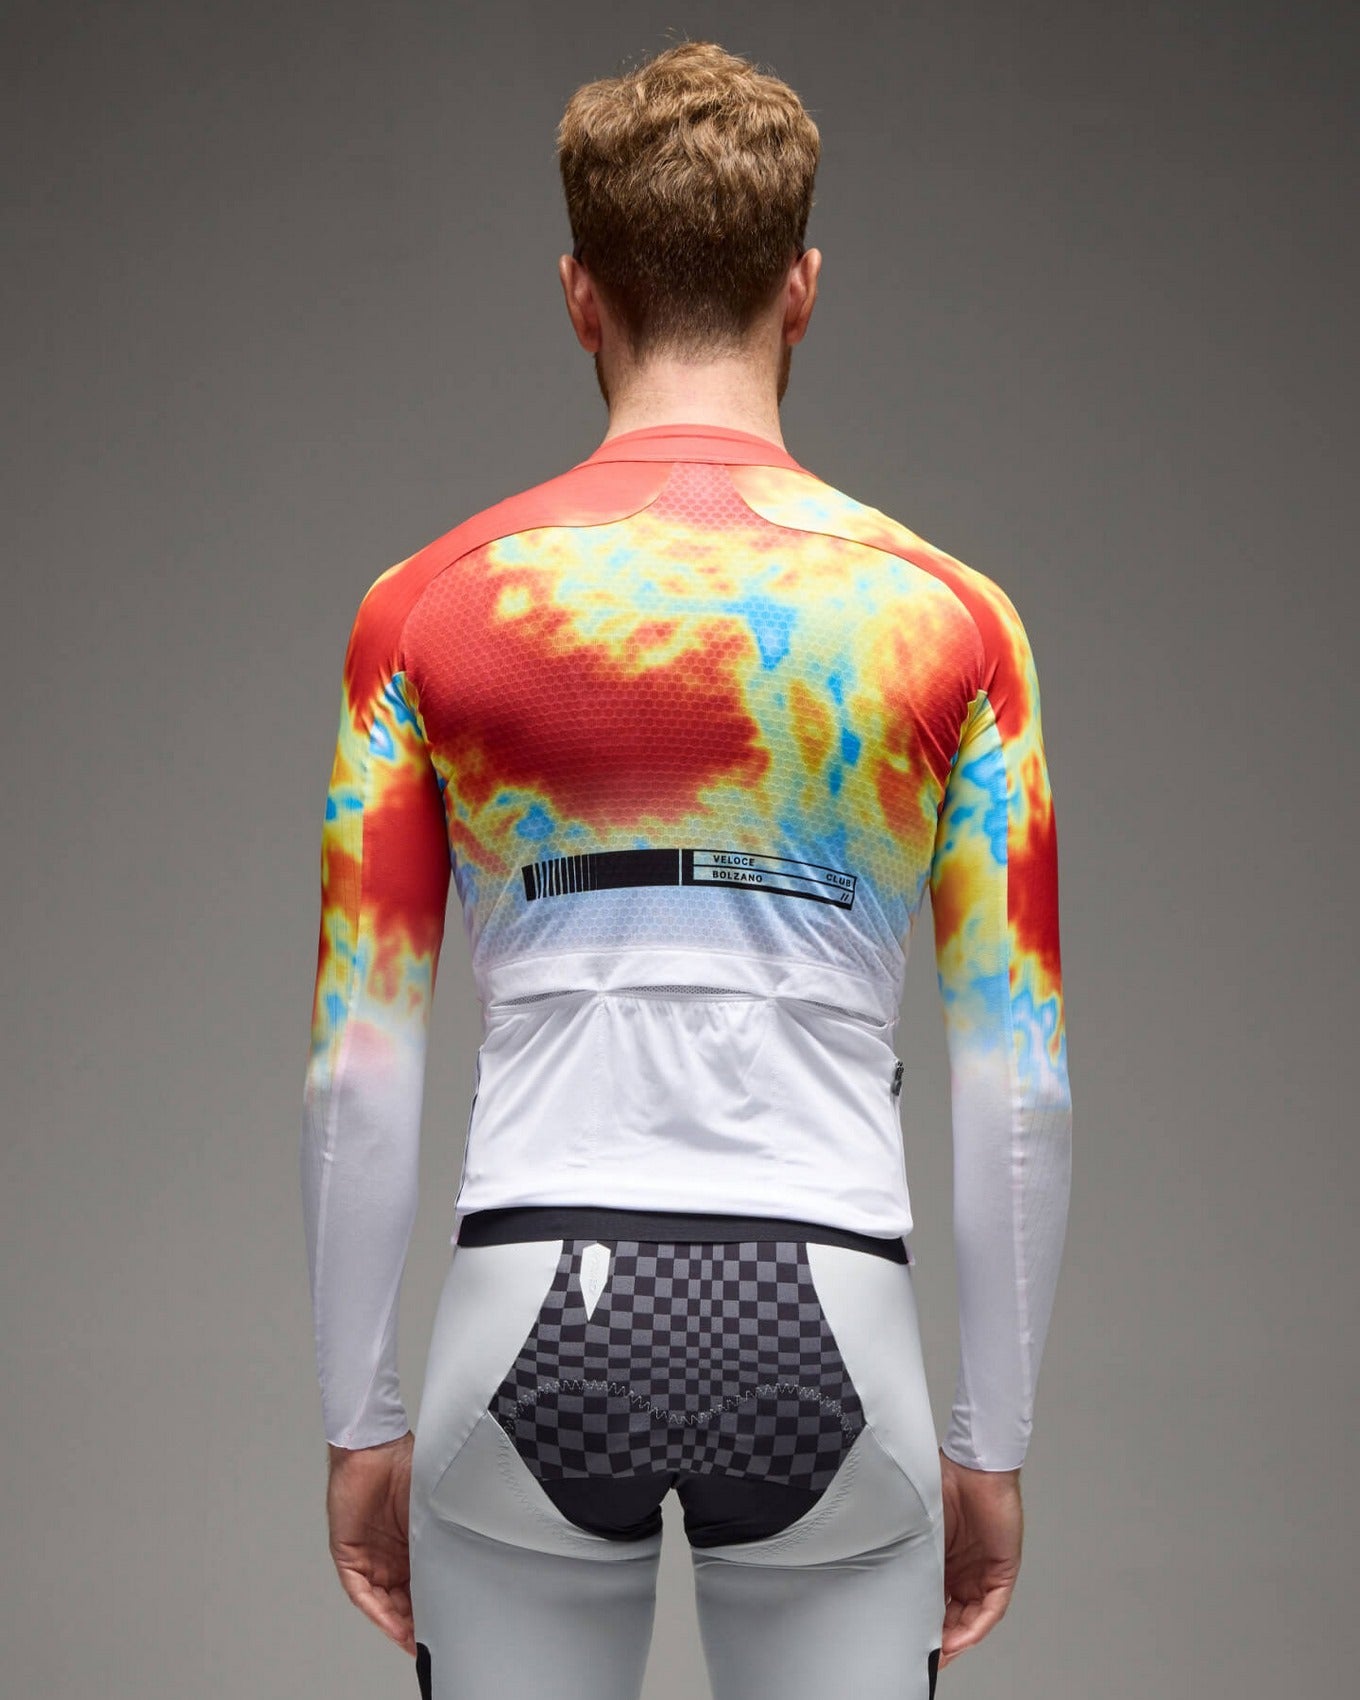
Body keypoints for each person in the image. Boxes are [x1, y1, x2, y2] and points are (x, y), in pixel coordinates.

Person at [300, 39, 1072, 1700]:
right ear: (802, 290)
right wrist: (990, 1442)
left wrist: (361, 1418)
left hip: (527, 1306)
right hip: (832, 1319)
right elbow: (1021, 1083)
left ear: (580, 296)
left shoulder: (425, 611)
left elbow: (357, 1062)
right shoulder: (955, 624)